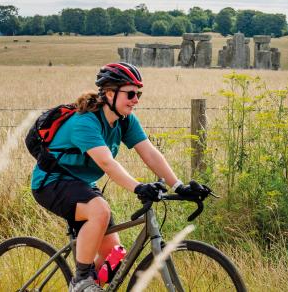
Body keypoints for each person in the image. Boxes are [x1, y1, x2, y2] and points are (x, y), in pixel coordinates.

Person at [31, 62, 208, 292]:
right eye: (131, 93)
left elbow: (150, 153)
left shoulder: (124, 121)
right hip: (51, 182)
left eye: (138, 94)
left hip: (82, 184)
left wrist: (179, 186)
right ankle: (81, 281)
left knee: (115, 260)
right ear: (110, 94)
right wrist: (138, 187)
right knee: (99, 211)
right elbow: (107, 163)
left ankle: (89, 285)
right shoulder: (84, 122)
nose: (136, 99)